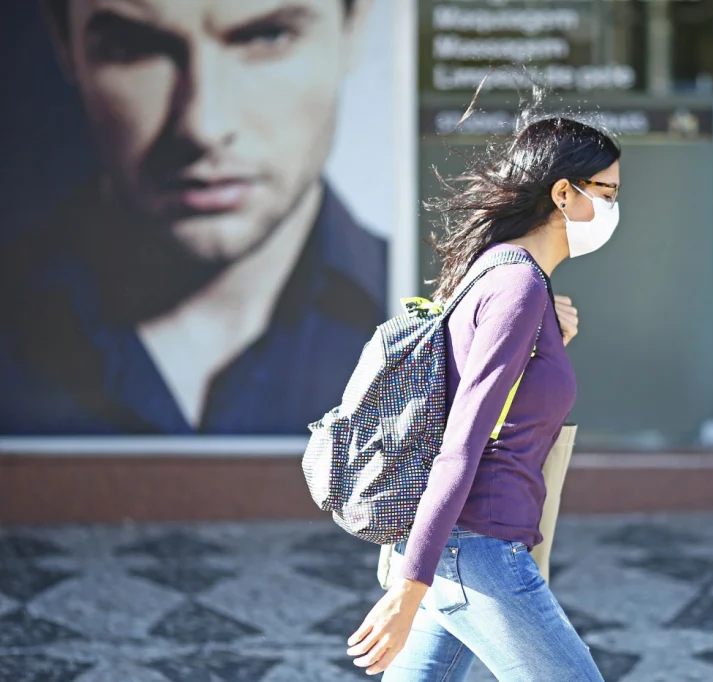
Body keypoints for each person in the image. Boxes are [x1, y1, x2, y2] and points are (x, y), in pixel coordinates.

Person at [0, 0, 386, 435]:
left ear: (354, 26)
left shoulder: (432, 317)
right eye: (133, 45)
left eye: (268, 36)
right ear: (63, 43)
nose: (203, 125)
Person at [345, 113, 621, 680]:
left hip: (461, 549)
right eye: (609, 192)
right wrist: (409, 587)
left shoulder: (506, 277)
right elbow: (461, 445)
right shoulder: (516, 285)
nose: (616, 209)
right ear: (564, 194)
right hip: (477, 552)